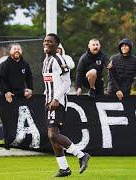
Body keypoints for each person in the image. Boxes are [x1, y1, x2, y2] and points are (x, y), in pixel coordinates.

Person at [42, 33, 90, 177]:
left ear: (57, 45)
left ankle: (81, 155)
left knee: (53, 134)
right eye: (45, 41)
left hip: (58, 102)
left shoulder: (58, 59)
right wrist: (48, 98)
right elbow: (49, 82)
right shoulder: (46, 60)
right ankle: (64, 168)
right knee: (53, 136)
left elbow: (67, 82)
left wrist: (56, 99)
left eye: (49, 42)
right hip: (49, 101)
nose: (46, 43)